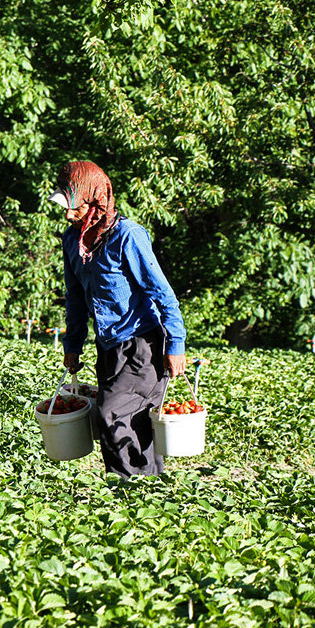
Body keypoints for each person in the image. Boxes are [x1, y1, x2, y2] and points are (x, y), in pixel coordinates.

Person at [50, 160, 186, 478]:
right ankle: (135, 496)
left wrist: (176, 343)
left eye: (76, 207)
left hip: (144, 343)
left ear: (97, 200)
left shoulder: (128, 236)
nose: (69, 215)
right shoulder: (73, 241)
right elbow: (75, 299)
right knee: (122, 419)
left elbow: (162, 293)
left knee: (113, 411)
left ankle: (134, 492)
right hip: (109, 345)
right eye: (66, 207)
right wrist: (72, 345)